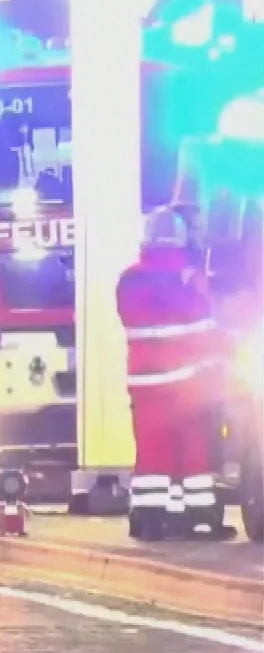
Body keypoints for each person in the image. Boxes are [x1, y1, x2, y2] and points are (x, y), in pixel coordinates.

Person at [118, 207, 226, 540]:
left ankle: (150, 520)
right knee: (193, 449)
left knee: (152, 450)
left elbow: (130, 318)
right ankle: (199, 517)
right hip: (188, 381)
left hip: (145, 381)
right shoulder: (189, 277)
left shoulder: (130, 278)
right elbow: (205, 326)